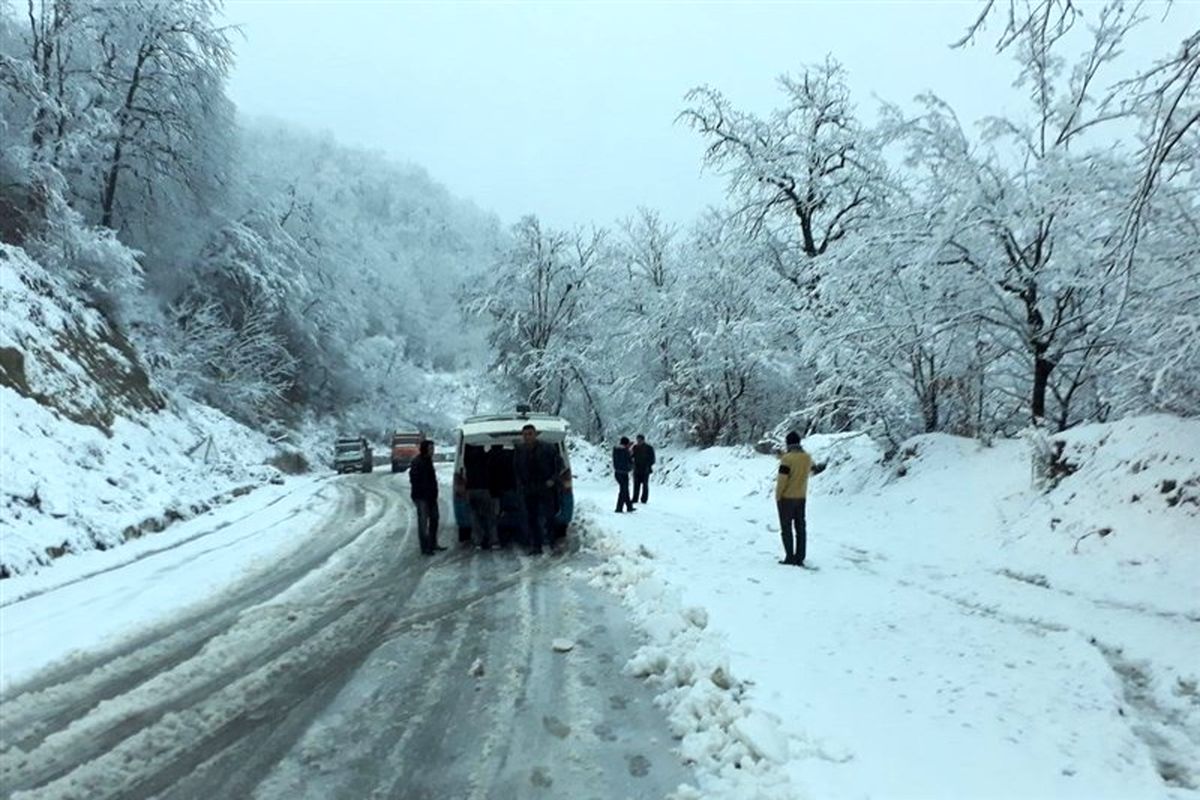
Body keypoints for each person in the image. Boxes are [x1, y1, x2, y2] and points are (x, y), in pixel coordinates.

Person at [513, 424, 562, 555]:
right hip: (529, 489)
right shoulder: (520, 450)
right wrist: (520, 485)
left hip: (546, 487)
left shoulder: (548, 448)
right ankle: (536, 546)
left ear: (535, 434)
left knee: (549, 517)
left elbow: (559, 465)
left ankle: (553, 543)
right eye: (525, 434)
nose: (527, 437)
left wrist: (553, 479)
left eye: (530, 434)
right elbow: (516, 469)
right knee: (531, 518)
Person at [775, 431, 813, 566]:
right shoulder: (807, 457)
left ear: (788, 443)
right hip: (801, 497)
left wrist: (778, 496)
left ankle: (789, 557)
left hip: (786, 498)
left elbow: (782, 480)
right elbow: (810, 470)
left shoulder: (787, 459)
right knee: (800, 528)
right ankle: (800, 557)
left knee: (786, 529)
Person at [409, 439, 445, 555]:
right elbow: (414, 480)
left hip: (431, 497)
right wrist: (422, 493)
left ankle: (433, 543)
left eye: (433, 449)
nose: (433, 451)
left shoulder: (428, 461)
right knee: (423, 523)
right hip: (422, 497)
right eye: (431, 449)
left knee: (435, 519)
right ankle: (425, 548)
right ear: (425, 449)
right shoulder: (417, 462)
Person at [463, 444, 496, 549]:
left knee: (475, 516)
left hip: (471, 489)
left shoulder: (467, 458)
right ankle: (493, 540)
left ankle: (478, 541)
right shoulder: (484, 457)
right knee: (489, 516)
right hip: (484, 488)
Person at [631, 434, 656, 505]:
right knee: (636, 484)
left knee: (645, 485)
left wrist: (648, 465)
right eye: (637, 440)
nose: (638, 441)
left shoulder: (649, 448)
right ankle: (635, 498)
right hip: (636, 469)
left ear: (643, 440)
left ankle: (644, 499)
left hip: (645, 469)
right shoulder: (635, 447)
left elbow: (652, 459)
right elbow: (632, 456)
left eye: (639, 440)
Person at [613, 436, 635, 513]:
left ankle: (629, 506)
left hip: (617, 472)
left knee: (625, 490)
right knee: (623, 490)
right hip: (624, 473)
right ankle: (619, 508)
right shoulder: (625, 451)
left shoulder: (616, 450)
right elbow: (629, 461)